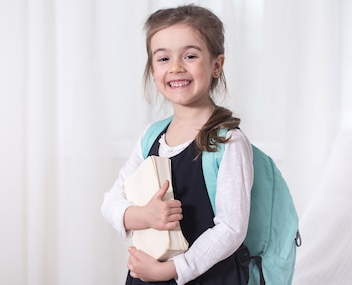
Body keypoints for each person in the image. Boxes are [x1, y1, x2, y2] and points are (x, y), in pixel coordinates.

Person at [101, 4, 254, 285]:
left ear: (216, 65)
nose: (176, 67)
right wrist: (142, 215)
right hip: (147, 274)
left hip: (204, 277)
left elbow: (231, 228)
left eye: (190, 55)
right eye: (163, 58)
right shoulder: (151, 136)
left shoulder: (228, 141)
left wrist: (171, 270)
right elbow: (110, 202)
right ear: (152, 68)